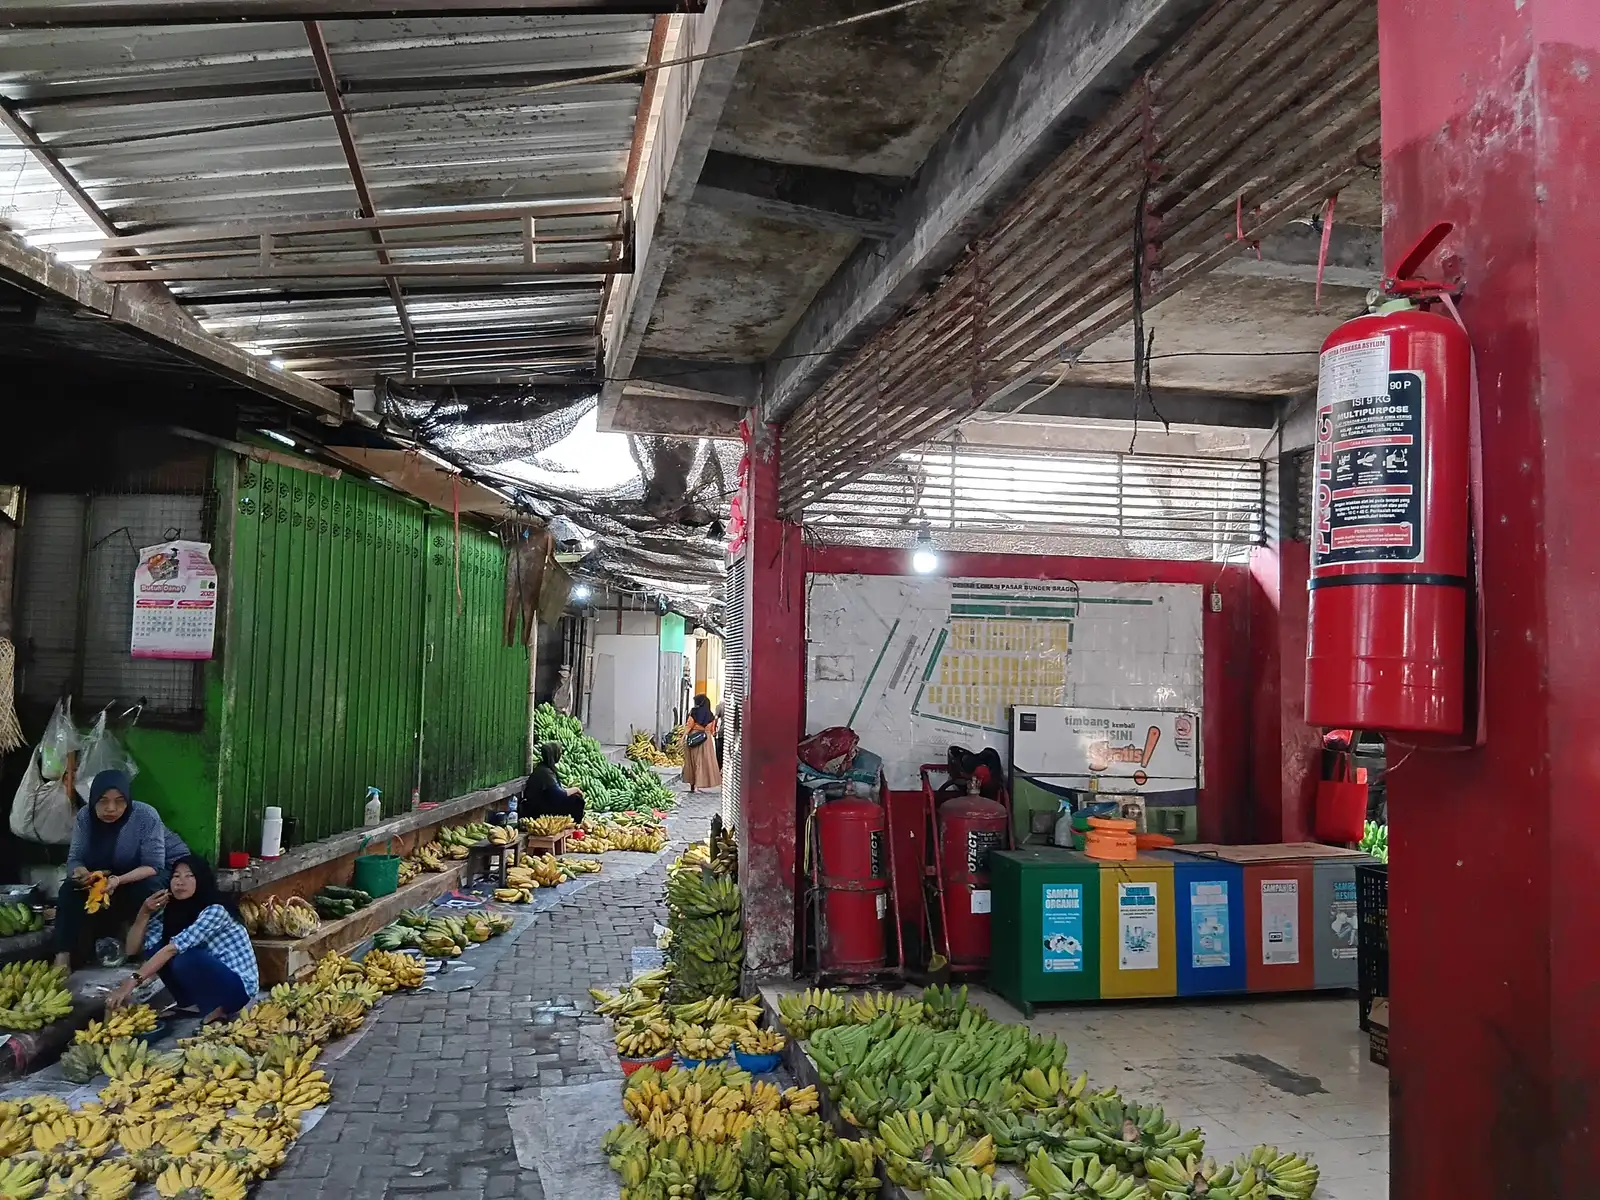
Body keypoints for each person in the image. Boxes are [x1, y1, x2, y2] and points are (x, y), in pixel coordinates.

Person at [108, 855, 257, 1023]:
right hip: (209, 982)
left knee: (183, 957)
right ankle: (189, 1004)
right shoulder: (170, 911)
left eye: (189, 876)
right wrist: (144, 913)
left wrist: (132, 981)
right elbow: (131, 950)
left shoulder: (216, 910)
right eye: (176, 876)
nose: (180, 882)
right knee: (156, 948)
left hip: (237, 990)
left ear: (201, 879)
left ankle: (220, 1010)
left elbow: (173, 948)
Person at [54, 770, 173, 969]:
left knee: (151, 887)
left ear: (128, 799)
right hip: (98, 883)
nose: (111, 808)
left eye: (119, 801)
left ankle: (137, 947)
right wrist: (82, 873)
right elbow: (75, 859)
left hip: (134, 879)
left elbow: (154, 865)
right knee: (68, 890)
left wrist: (118, 880)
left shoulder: (145, 816)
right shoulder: (85, 817)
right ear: (93, 800)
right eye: (102, 800)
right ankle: (62, 959)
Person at [520, 741, 584, 822]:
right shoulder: (545, 772)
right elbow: (560, 794)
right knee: (576, 801)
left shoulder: (544, 768)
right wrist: (575, 789)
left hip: (541, 804)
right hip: (536, 810)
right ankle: (573, 824)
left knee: (574, 797)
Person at [682, 694, 722, 794]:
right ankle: (699, 784)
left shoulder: (694, 712)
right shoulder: (711, 715)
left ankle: (693, 785)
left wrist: (683, 737)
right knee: (703, 763)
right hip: (706, 740)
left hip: (694, 738)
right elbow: (713, 730)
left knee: (692, 762)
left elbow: (689, 725)